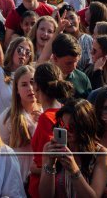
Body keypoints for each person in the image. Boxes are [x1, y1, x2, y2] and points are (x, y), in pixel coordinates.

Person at [38, 98, 107, 198]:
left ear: (85, 126)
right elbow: (45, 196)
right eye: (62, 125)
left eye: (71, 127)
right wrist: (50, 164)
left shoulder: (101, 154)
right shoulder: (50, 148)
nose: (66, 131)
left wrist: (74, 170)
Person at [28, 62, 75, 198]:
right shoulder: (65, 112)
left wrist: (33, 169)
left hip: (42, 188)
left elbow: (54, 161)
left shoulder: (46, 118)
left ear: (36, 86)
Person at [0, 63, 41, 185]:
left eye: (32, 82)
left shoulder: (46, 112)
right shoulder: (8, 117)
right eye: (24, 84)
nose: (30, 88)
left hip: (42, 178)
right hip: (18, 181)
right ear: (16, 89)